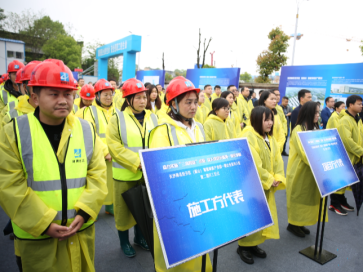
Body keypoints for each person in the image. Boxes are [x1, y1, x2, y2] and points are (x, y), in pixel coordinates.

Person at [0, 59, 107, 271]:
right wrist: (44, 223)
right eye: (54, 94)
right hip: (37, 238)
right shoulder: (14, 132)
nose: (63, 100)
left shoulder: (86, 130)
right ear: (34, 97)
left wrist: (84, 212)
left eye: (68, 94)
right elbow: (9, 185)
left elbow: (98, 175)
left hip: (80, 231)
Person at [148, 76, 212, 272]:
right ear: (173, 103)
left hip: (198, 200)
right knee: (179, 257)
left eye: (195, 102)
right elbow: (159, 177)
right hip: (175, 207)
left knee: (200, 249)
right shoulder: (162, 131)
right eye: (188, 102)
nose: (194, 107)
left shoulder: (198, 126)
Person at [106, 78, 158, 257]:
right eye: (138, 98)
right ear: (128, 100)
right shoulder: (117, 119)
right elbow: (114, 145)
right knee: (123, 212)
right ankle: (124, 241)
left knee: (142, 208)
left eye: (144, 97)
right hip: (125, 174)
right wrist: (137, 162)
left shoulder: (153, 117)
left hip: (147, 174)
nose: (143, 101)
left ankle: (139, 237)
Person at [237, 106, 285, 265]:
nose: (270, 123)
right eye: (266, 120)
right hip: (252, 184)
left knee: (261, 215)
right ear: (257, 120)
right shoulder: (249, 135)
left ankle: (254, 244)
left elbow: (278, 160)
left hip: (266, 183)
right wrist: (269, 179)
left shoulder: (268, 138)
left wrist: (277, 176)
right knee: (251, 215)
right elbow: (254, 163)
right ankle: (243, 246)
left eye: (271, 119)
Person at [76, 79, 115, 215]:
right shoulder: (90, 111)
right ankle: (90, 212)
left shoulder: (115, 111)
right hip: (97, 153)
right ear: (97, 96)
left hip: (112, 154)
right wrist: (105, 151)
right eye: (105, 94)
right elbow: (90, 133)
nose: (109, 97)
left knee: (110, 183)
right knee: (95, 183)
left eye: (110, 94)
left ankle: (110, 207)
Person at [286, 101, 322, 238]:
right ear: (308, 113)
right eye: (316, 112)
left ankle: (300, 223)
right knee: (298, 198)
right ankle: (293, 224)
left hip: (311, 171)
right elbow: (304, 153)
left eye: (318, 112)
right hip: (299, 171)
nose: (318, 115)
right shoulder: (298, 130)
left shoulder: (314, 128)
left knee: (307, 197)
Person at [332, 96, 362, 215]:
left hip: (354, 156)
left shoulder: (357, 118)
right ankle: (334, 203)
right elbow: (347, 141)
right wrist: (361, 152)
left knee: (346, 181)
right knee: (340, 180)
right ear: (351, 105)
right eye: (359, 104)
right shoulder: (345, 120)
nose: (361, 106)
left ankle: (341, 201)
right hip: (345, 156)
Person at [1, 61, 42, 130]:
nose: (42, 91)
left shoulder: (60, 112)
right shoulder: (11, 111)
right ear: (25, 87)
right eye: (14, 74)